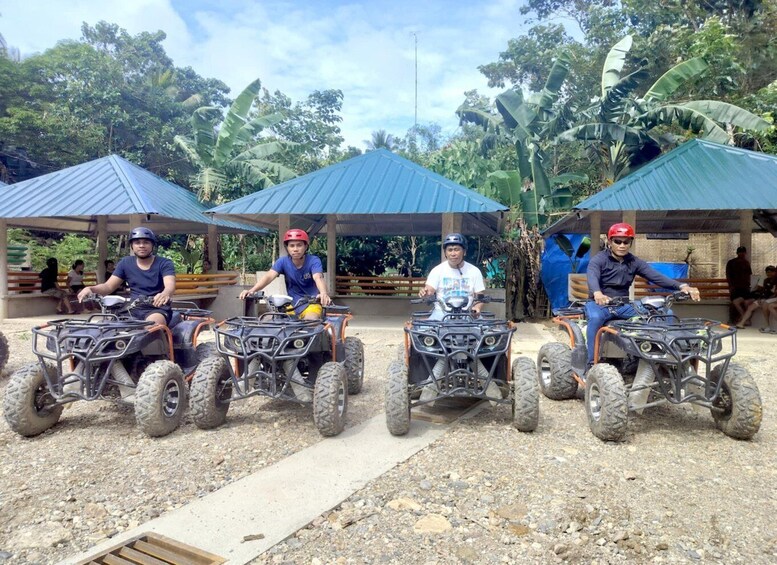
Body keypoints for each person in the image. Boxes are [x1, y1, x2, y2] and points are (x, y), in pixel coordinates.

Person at [585, 223, 700, 368]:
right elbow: (592, 276)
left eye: (626, 242)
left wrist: (682, 286)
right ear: (610, 241)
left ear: (630, 243)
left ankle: (667, 356)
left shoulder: (634, 262)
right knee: (595, 319)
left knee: (664, 313)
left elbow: (656, 276)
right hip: (599, 304)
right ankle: (591, 362)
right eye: (617, 241)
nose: (622, 245)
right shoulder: (599, 260)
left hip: (623, 305)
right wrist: (597, 293)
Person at [78, 227, 175, 326]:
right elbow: (108, 287)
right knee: (107, 328)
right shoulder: (126, 262)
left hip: (156, 308)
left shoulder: (164, 263)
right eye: (137, 242)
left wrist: (165, 294)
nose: (141, 245)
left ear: (152, 245)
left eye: (146, 242)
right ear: (132, 246)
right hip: (132, 308)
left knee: (154, 324)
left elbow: (169, 286)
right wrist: (90, 289)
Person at [239, 229, 332, 319]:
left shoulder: (313, 260)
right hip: (291, 304)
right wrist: (252, 290)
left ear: (306, 246)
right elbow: (269, 276)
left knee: (311, 321)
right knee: (274, 322)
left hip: (312, 303)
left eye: (299, 245)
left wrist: (323, 293)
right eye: (292, 246)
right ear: (287, 247)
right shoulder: (282, 261)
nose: (295, 249)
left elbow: (318, 277)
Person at [419, 233, 486, 320]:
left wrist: (477, 308)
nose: (453, 254)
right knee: (423, 331)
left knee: (486, 331)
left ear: (464, 252)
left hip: (468, 314)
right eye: (450, 250)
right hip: (441, 313)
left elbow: (480, 296)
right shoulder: (437, 271)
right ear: (445, 253)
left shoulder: (474, 271)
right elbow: (429, 291)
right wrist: (425, 293)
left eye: (456, 249)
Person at [736, 265, 777, 332]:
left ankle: (768, 326)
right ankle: (741, 323)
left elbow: (774, 294)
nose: (769, 273)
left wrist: (766, 300)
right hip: (763, 299)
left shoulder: (775, 281)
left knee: (766, 305)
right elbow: (763, 291)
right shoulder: (766, 280)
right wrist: (760, 298)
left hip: (770, 299)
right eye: (767, 272)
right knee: (750, 307)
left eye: (771, 272)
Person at [726, 246, 754, 323]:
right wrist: (731, 286)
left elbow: (749, 275)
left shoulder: (746, 263)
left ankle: (743, 318)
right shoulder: (731, 262)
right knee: (734, 304)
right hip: (735, 287)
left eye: (743, 252)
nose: (741, 254)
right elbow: (728, 275)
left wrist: (749, 286)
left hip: (744, 288)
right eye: (740, 252)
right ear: (737, 253)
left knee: (743, 303)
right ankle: (738, 318)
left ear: (745, 253)